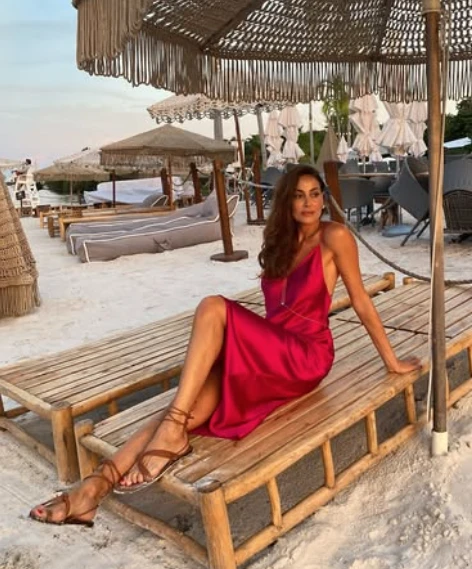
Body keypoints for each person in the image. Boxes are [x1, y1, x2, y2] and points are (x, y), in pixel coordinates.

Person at [30, 164, 421, 526]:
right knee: (183, 408)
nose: (308, 203)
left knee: (213, 307)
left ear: (323, 198)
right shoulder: (281, 242)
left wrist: (391, 362)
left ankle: (168, 436)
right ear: (287, 201)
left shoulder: (335, 236)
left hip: (304, 356)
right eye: (299, 195)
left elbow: (360, 301)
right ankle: (94, 488)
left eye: (315, 194)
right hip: (266, 351)